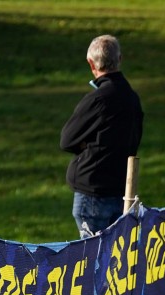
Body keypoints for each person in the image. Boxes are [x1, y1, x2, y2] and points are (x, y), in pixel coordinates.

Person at [61, 34, 143, 238]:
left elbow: (66, 140)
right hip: (120, 188)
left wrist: (86, 144)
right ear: (120, 59)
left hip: (93, 194)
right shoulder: (132, 98)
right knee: (115, 260)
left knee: (93, 262)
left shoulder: (98, 99)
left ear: (91, 63)